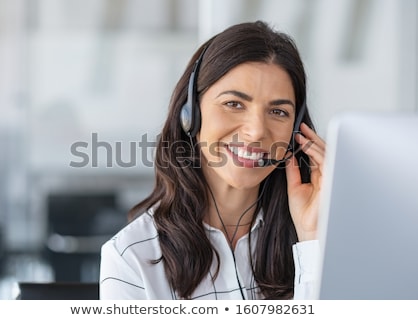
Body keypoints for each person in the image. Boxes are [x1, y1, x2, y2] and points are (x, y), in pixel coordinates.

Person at [99, 20, 326, 300]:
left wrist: (312, 237)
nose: (256, 132)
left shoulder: (319, 242)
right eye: (234, 104)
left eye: (278, 111)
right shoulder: (131, 257)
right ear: (190, 114)